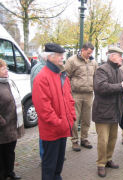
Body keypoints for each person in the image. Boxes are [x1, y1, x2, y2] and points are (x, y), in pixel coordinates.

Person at [32, 43, 76, 179]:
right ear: (50, 57)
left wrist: (72, 117)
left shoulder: (62, 75)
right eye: (59, 56)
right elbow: (44, 108)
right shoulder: (42, 77)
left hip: (63, 127)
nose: (63, 58)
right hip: (52, 130)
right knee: (49, 166)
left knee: (58, 164)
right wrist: (59, 122)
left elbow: (69, 99)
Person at [92, 47, 123, 177]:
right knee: (103, 140)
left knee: (113, 138)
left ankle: (108, 159)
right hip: (103, 111)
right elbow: (100, 87)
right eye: (120, 56)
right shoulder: (102, 69)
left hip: (116, 111)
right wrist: (121, 86)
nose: (121, 58)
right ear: (112, 56)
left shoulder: (120, 71)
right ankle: (101, 164)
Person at [65, 42, 98, 151]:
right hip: (76, 94)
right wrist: (69, 91)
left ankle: (84, 138)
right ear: (82, 50)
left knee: (86, 119)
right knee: (75, 118)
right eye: (88, 53)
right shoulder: (72, 60)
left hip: (89, 94)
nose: (90, 55)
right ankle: (74, 140)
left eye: (91, 53)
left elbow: (97, 76)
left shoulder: (93, 62)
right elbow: (66, 77)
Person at [0, 59, 24, 180]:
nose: (6, 70)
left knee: (10, 151)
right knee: (2, 153)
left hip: (12, 125)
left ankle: (10, 172)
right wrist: (2, 122)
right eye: (3, 68)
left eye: (6, 68)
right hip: (2, 127)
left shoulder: (9, 82)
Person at [30, 52, 48, 162]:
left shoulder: (45, 67)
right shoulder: (39, 69)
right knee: (44, 131)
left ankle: (48, 154)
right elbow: (39, 90)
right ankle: (44, 156)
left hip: (45, 105)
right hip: (42, 105)